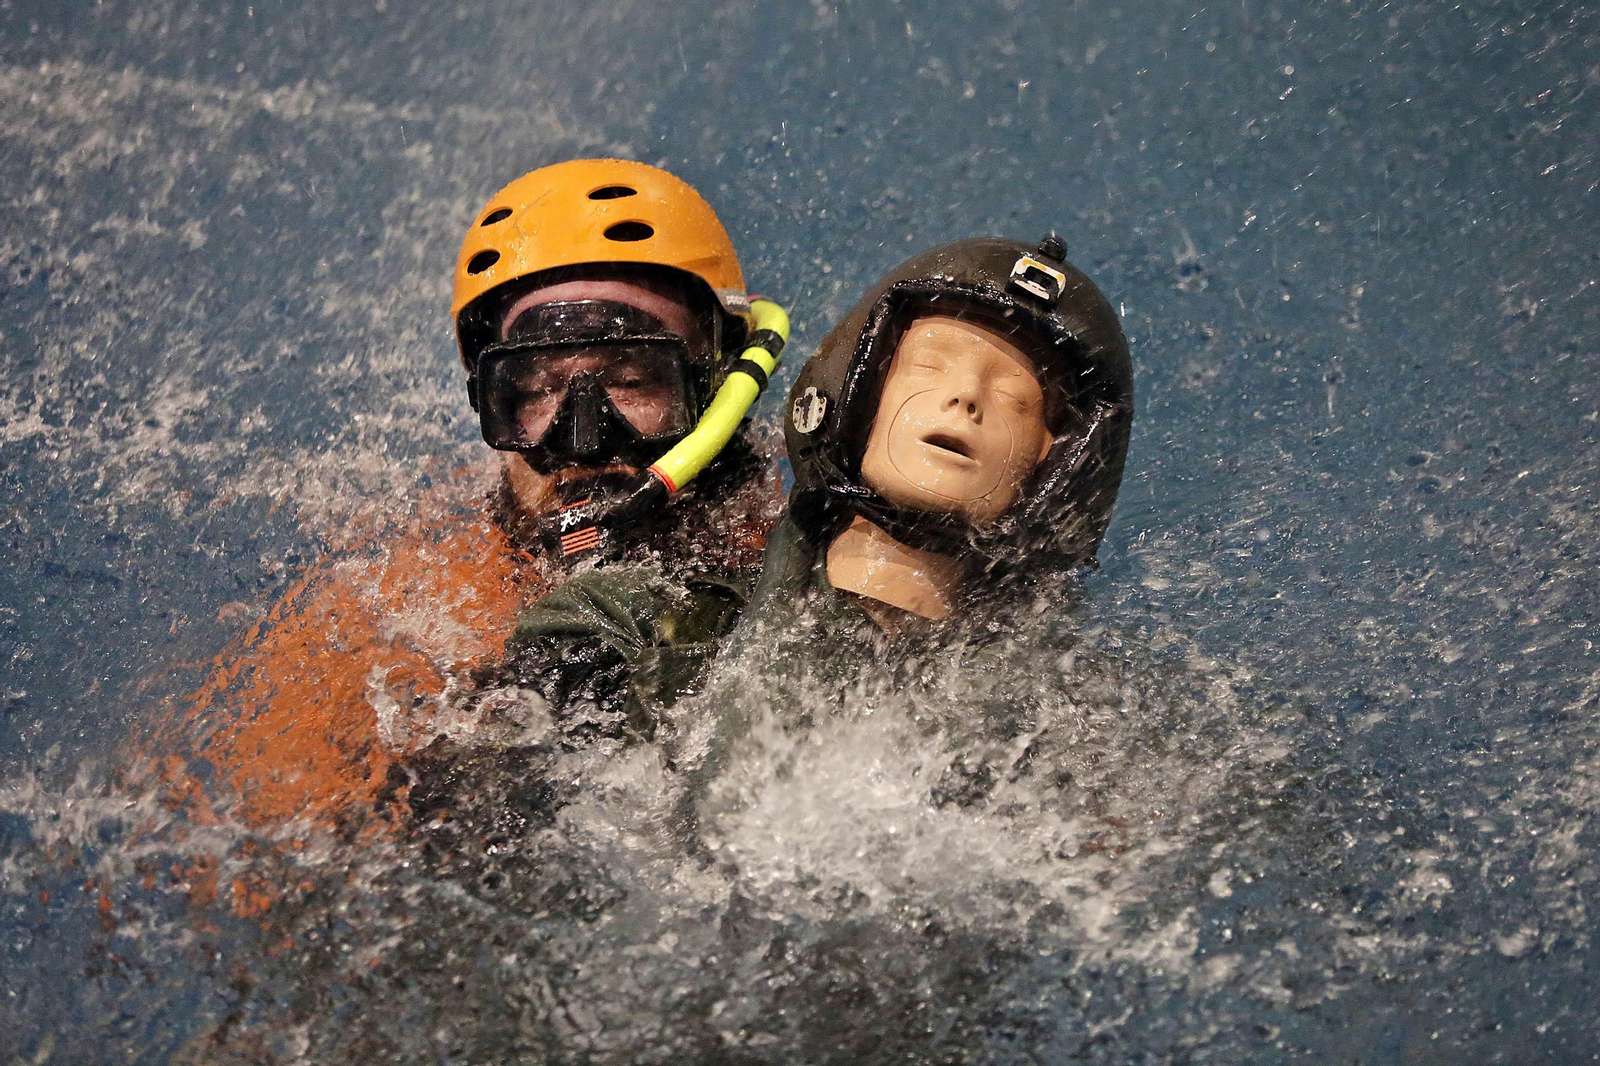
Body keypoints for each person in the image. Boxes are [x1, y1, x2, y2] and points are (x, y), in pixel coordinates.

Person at [148, 159, 786, 837]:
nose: (585, 441)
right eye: (535, 389)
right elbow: (254, 851)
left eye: (631, 377)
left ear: (721, 382)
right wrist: (484, 763)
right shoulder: (396, 612)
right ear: (490, 402)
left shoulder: (807, 555)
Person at [686, 234, 1136, 806]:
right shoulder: (657, 625)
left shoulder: (1074, 722)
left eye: (1015, 399)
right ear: (858, 391)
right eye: (929, 367)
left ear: (1056, 469)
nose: (966, 399)